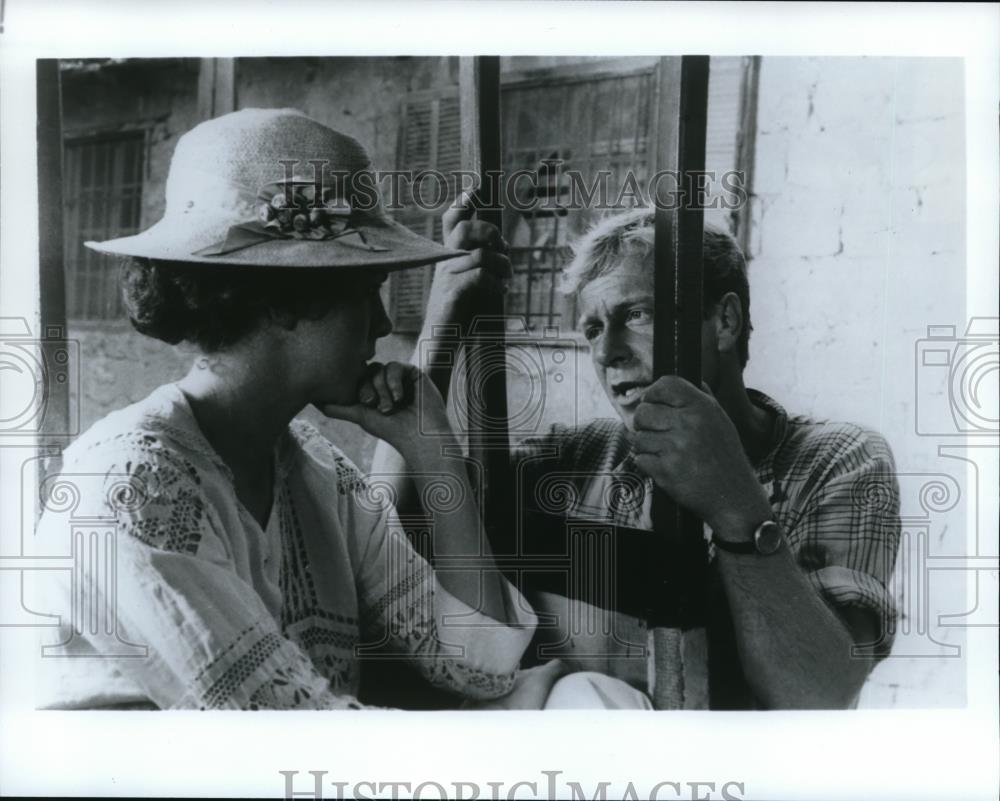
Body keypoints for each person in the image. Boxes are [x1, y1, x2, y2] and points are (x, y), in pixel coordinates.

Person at [33, 108, 553, 710]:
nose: (383, 325)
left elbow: (480, 667)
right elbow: (285, 730)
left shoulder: (315, 471)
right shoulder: (129, 482)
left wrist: (431, 448)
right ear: (281, 301)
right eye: (366, 294)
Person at [376, 207, 902, 710]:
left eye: (637, 314)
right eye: (593, 329)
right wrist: (442, 315)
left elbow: (816, 699)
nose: (608, 353)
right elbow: (393, 529)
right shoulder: (581, 455)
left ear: (724, 322)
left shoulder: (838, 459)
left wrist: (734, 502)